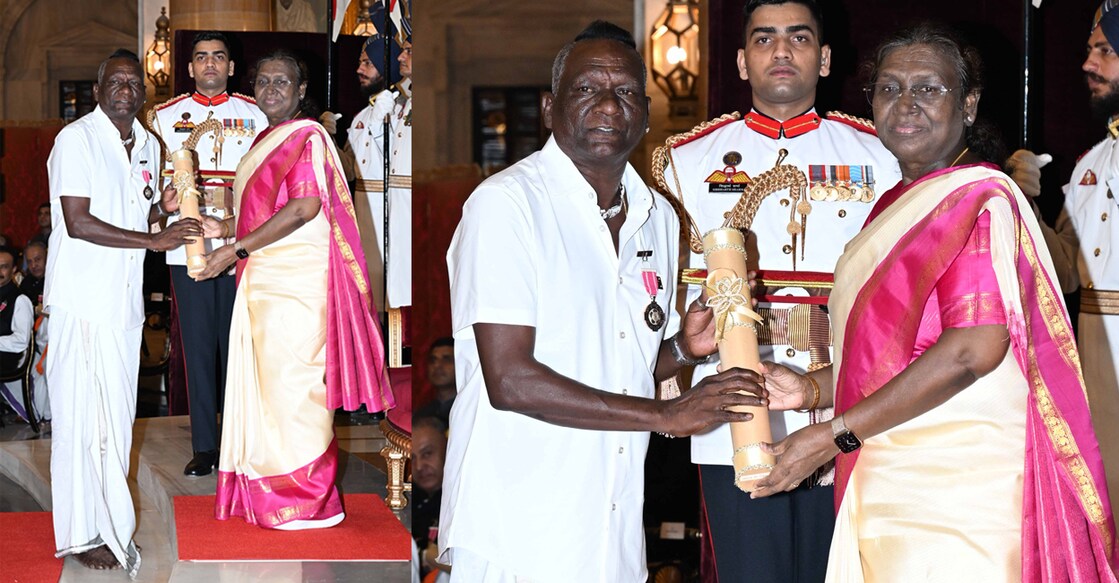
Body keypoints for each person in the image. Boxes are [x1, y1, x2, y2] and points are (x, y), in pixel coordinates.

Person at [745, 25, 1118, 581]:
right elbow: (890, 353)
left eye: (929, 89)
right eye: (889, 89)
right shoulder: (895, 203)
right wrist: (812, 388)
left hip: (958, 497)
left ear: (968, 105)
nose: (906, 105)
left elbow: (972, 350)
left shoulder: (977, 202)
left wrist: (831, 436)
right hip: (889, 475)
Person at [440, 21, 763, 582]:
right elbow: (509, 380)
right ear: (549, 108)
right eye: (587, 89)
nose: (609, 105)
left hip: (612, 533)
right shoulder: (505, 207)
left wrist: (684, 349)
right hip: (517, 527)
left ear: (645, 109)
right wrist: (666, 413)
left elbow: (623, 358)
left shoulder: (657, 217)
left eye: (625, 91)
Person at [656, 1, 900, 579]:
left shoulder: (881, 155)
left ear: (825, 58)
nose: (782, 51)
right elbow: (662, 291)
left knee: (841, 568)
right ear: (741, 61)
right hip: (732, 407)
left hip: (845, 398)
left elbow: (900, 286)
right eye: (764, 40)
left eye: (798, 38)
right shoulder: (687, 160)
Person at [193, 49, 394, 530]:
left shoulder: (307, 138)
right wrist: (218, 228)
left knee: (296, 388)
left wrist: (236, 249)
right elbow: (260, 217)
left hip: (297, 282)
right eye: (263, 81)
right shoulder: (265, 140)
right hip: (264, 279)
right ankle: (272, 493)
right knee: (269, 393)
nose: (271, 90)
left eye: (282, 82)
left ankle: (309, 499)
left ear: (302, 90)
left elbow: (304, 209)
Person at [45, 48, 201, 573]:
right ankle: (80, 532)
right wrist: (155, 239)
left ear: (143, 93)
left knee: (115, 422)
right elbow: (78, 222)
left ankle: (113, 525)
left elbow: (144, 206)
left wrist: (168, 210)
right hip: (81, 302)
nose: (126, 90)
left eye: (134, 83)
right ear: (97, 90)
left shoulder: (149, 147)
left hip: (122, 304)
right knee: (79, 425)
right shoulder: (77, 140)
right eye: (115, 81)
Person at [1011, 0, 1119, 512]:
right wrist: (1022, 199)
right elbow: (1063, 273)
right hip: (1095, 361)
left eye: (1104, 50)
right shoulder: (1090, 165)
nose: (1088, 64)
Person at [148, 31, 268, 478]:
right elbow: (154, 189)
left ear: (232, 67)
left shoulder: (255, 114)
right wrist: (165, 202)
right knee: (197, 349)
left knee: (242, 346)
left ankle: (242, 441)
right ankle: (205, 446)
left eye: (219, 57)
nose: (210, 64)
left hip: (243, 241)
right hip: (190, 245)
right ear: (190, 67)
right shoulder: (164, 115)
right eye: (201, 58)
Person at [321, 28, 401, 310]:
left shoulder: (402, 109)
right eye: (360, 62)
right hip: (361, 212)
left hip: (392, 213)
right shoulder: (361, 116)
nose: (359, 69)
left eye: (368, 63)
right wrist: (326, 136)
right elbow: (349, 171)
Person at [0, 246, 34, 422]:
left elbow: (21, 341)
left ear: (14, 270)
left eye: (4, 267)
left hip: (9, 358)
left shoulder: (20, 299)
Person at [412, 416, 449, 580]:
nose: (419, 466)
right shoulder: (407, 499)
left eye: (427, 453)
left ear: (448, 449)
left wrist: (427, 554)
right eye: (412, 458)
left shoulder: (467, 500)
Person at [415, 337, 455, 425]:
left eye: (446, 359)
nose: (437, 365)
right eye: (433, 360)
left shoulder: (471, 410)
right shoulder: (422, 415)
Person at [19, 240, 46, 308]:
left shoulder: (57, 281)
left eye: (37, 259)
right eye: (29, 262)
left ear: (47, 257)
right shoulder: (26, 283)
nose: (33, 265)